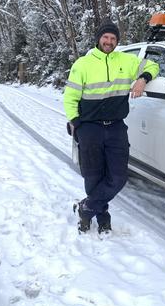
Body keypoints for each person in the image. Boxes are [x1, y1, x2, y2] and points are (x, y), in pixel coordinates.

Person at [63, 19, 159, 234]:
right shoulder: (83, 64)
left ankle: (86, 209)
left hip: (116, 127)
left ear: (117, 41)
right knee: (93, 175)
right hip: (89, 128)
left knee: (118, 177)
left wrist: (142, 79)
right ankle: (102, 216)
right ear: (98, 38)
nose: (109, 41)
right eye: (105, 37)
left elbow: (153, 65)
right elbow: (70, 96)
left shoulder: (127, 60)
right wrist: (76, 122)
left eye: (113, 38)